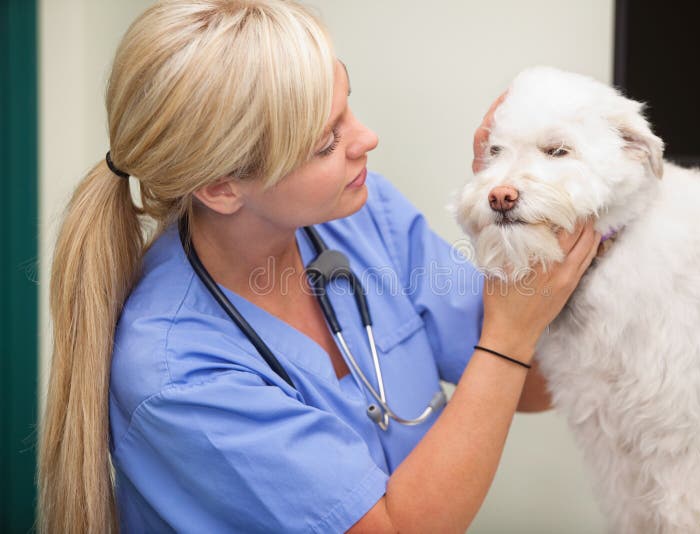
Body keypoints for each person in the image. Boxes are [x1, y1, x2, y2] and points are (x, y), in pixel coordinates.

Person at [38, 1, 601, 532]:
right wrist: (510, 329)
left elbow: (530, 386)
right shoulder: (181, 375)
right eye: (327, 142)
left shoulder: (360, 215)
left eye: (347, 105)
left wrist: (529, 227)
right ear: (221, 186)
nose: (367, 138)